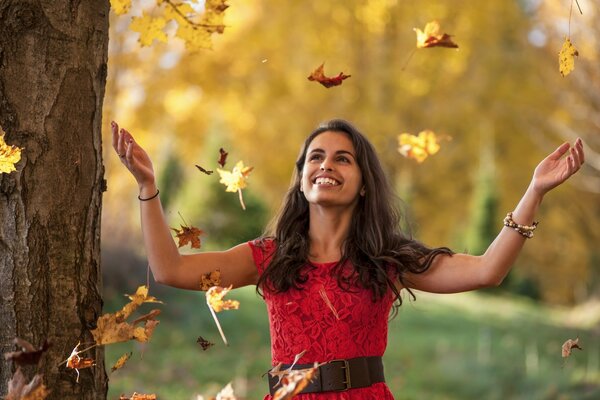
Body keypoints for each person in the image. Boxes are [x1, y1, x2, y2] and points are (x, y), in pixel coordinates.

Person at [111, 119, 585, 399]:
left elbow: (486, 270)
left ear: (363, 181)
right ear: (301, 179)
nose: (326, 165)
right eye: (316, 157)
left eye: (343, 158)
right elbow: (170, 270)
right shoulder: (268, 257)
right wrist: (148, 188)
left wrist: (534, 191)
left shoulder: (387, 258)